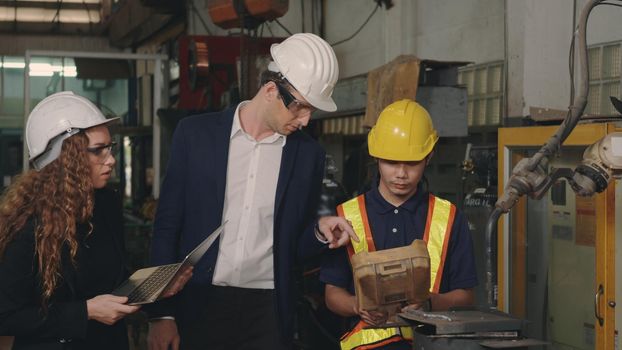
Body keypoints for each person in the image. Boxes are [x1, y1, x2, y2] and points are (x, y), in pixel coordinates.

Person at [147, 33, 357, 350]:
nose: (305, 120)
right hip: (200, 301)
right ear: (271, 90)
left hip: (268, 313)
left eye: (312, 110)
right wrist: (161, 315)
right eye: (300, 108)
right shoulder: (195, 136)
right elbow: (166, 227)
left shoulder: (307, 156)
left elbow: (293, 250)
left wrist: (318, 232)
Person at [0, 91, 190, 350]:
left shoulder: (105, 204)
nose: (111, 160)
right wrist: (85, 312)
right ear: (65, 159)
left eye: (109, 148)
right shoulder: (26, 223)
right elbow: (7, 316)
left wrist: (155, 289)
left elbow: (118, 280)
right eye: (98, 150)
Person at [320, 99, 478, 350]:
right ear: (376, 157)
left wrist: (429, 304)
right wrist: (356, 306)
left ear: (429, 157)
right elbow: (332, 294)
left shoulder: (448, 217)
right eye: (391, 162)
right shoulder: (347, 216)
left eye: (412, 163)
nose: (401, 174)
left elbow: (466, 295)